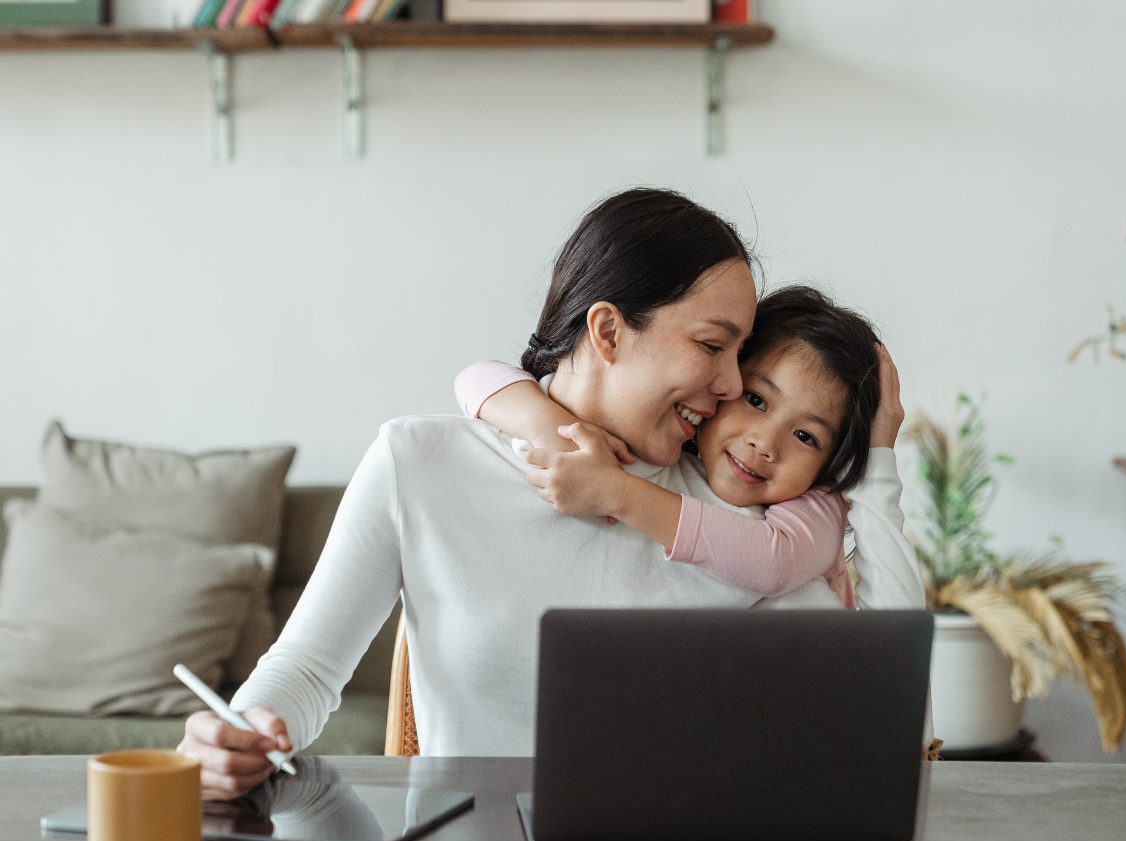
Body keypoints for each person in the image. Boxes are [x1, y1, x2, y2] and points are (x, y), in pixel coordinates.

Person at [178, 188, 925, 800]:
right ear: (607, 331)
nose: (732, 387)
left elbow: (884, 706)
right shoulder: (420, 463)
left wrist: (880, 463)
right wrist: (239, 729)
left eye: (740, 355)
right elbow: (306, 671)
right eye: (711, 346)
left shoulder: (744, 516)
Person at [455, 287, 891, 607]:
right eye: (755, 400)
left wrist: (616, 493)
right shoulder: (675, 444)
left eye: (805, 437)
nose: (765, 442)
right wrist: (552, 428)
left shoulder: (819, 503)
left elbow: (773, 563)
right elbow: (475, 376)